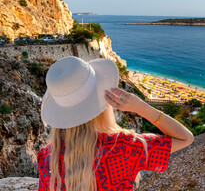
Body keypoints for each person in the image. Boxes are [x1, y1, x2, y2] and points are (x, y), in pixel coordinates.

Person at [37, 56, 194, 191]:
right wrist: (142, 107)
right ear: (102, 103)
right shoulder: (124, 148)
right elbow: (185, 138)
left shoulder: (46, 157)